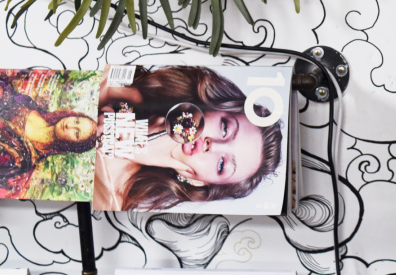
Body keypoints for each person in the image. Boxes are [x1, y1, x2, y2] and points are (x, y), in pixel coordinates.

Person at [94, 66, 283, 211]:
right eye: (225, 128)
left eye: (221, 165)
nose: (212, 145)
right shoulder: (118, 76)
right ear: (212, 104)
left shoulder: (107, 200)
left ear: (197, 181)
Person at [0, 74, 98, 194]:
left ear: (73, 145)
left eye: (76, 133)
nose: (70, 125)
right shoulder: (32, 106)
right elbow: (9, 95)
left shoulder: (25, 159)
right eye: (76, 121)